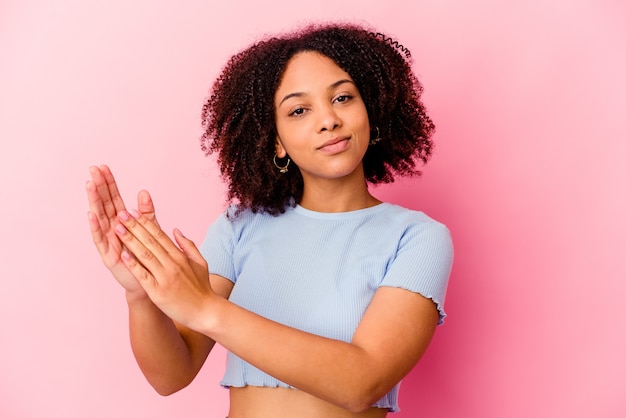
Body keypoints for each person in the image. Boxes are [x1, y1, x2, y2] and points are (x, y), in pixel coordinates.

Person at [86, 23, 453, 418]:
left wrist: (207, 308)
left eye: (343, 97)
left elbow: (362, 382)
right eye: (299, 110)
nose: (328, 120)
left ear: (371, 111)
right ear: (275, 140)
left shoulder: (417, 238)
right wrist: (142, 295)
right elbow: (170, 376)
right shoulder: (240, 226)